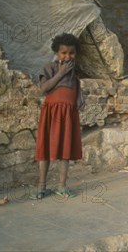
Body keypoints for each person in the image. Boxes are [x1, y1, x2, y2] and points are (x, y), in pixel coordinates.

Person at [35, 33, 83, 199]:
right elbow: (44, 88)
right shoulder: (49, 68)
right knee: (46, 147)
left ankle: (61, 186)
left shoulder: (74, 71)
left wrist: (79, 95)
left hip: (68, 114)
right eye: (64, 53)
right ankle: (41, 186)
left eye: (71, 53)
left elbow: (75, 86)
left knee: (65, 149)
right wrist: (61, 73)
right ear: (56, 52)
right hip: (51, 113)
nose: (68, 56)